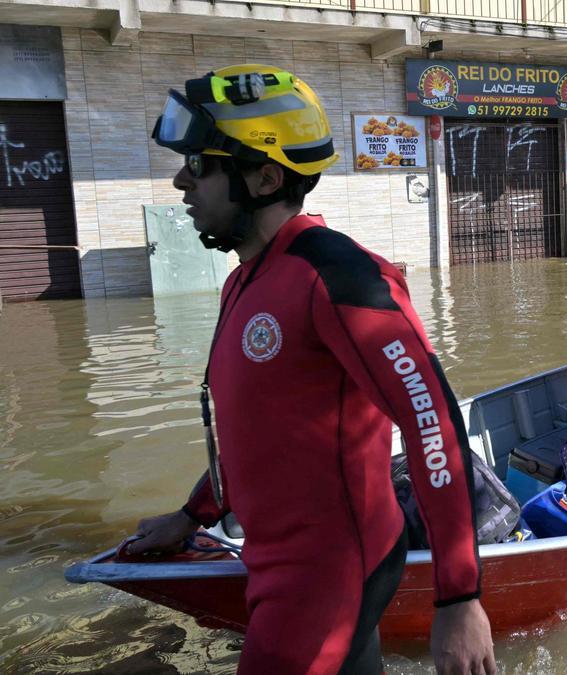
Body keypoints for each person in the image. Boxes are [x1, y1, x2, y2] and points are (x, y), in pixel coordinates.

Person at [125, 65, 495, 675]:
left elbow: (432, 422)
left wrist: (459, 598)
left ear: (265, 177)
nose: (181, 180)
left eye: (200, 165)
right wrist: (194, 515)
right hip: (277, 562)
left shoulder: (340, 277)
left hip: (330, 571)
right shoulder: (245, 280)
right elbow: (263, 431)